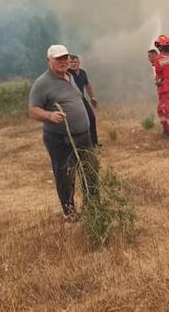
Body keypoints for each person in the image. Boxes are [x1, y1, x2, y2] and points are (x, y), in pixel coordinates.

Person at [28, 44, 99, 221]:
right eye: (58, 59)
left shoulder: (71, 76)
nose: (63, 61)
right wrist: (50, 115)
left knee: (91, 170)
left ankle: (94, 208)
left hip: (83, 136)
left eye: (65, 58)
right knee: (66, 176)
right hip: (61, 139)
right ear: (48, 60)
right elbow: (33, 110)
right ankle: (70, 213)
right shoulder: (42, 83)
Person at [68, 55, 99, 147]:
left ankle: (94, 144)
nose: (73, 64)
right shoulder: (67, 74)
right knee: (75, 123)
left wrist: (92, 97)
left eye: (75, 62)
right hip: (71, 101)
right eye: (71, 62)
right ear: (68, 64)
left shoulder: (82, 73)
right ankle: (77, 146)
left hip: (81, 99)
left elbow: (87, 85)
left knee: (91, 118)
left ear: (79, 63)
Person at [148, 48, 169, 136]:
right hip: (162, 90)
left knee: (166, 110)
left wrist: (159, 81)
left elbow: (164, 74)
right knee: (160, 110)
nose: (148, 58)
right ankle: (166, 129)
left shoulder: (159, 61)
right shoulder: (156, 62)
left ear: (154, 55)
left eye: (149, 56)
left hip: (165, 89)